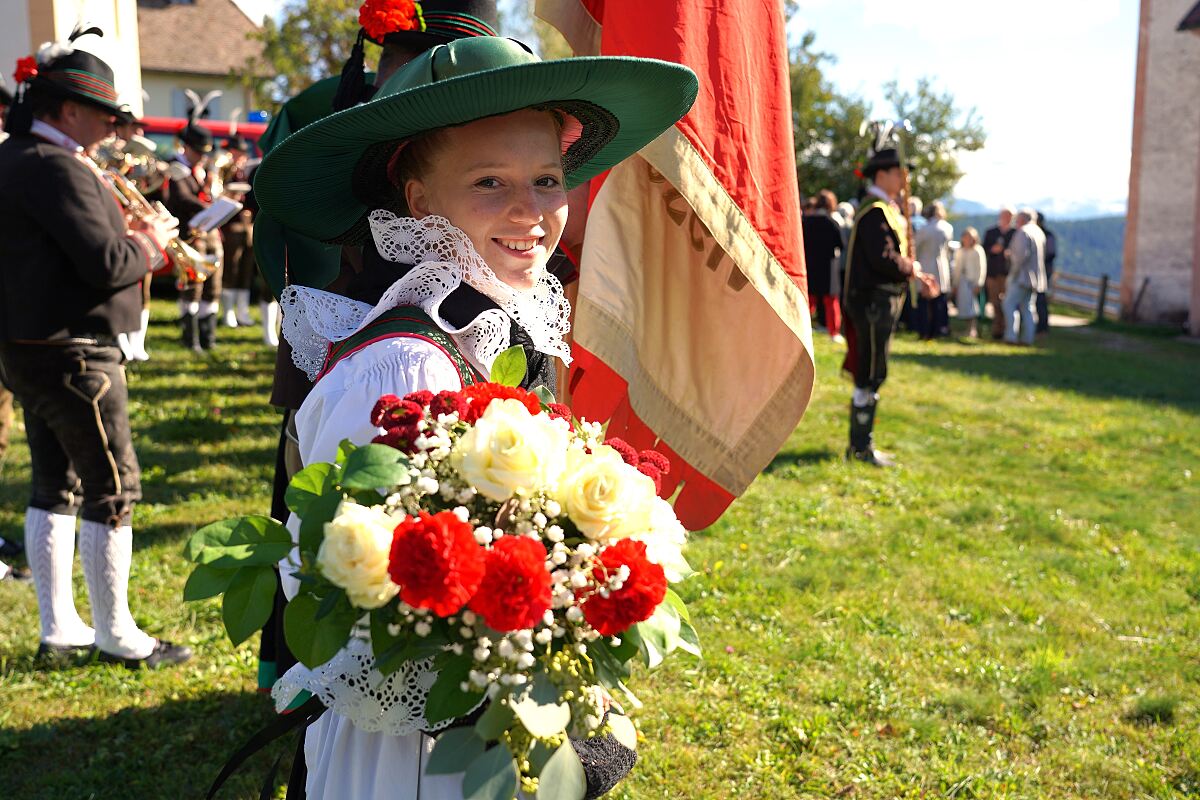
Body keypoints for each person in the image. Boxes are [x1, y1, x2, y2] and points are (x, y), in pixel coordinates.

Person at [249, 34, 697, 797]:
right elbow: (369, 620)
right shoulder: (406, 367)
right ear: (420, 201)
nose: (531, 211)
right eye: (490, 182)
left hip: (487, 726)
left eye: (548, 179)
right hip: (409, 756)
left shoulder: (489, 323)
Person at [251, 0, 505, 698]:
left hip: (421, 320)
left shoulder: (326, 103)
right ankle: (321, 664)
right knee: (338, 520)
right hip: (360, 333)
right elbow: (281, 232)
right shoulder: (319, 115)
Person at [0, 27, 191, 667]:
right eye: (105, 115)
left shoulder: (14, 156)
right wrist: (152, 242)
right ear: (69, 109)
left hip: (28, 347)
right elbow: (107, 264)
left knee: (54, 485)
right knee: (114, 488)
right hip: (78, 352)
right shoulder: (57, 167)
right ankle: (117, 635)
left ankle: (60, 628)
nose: (113, 129)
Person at [841, 146, 937, 467]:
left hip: (879, 301)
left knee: (873, 371)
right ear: (882, 174)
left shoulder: (884, 209)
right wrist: (909, 267)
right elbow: (883, 259)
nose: (903, 178)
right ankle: (860, 447)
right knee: (869, 371)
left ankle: (862, 444)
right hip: (872, 301)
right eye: (899, 172)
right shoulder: (875, 211)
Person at [162, 121, 223, 352]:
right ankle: (191, 338)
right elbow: (181, 198)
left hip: (210, 233)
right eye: (198, 152)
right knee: (193, 288)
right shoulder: (175, 168)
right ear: (186, 147)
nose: (201, 157)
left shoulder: (203, 170)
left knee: (212, 287)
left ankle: (208, 338)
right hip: (190, 236)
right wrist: (209, 207)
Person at [219, 136, 256, 329]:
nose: (240, 157)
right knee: (231, 269)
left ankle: (242, 310)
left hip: (246, 225)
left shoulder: (244, 172)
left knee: (246, 270)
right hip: (231, 226)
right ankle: (228, 312)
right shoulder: (224, 170)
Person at [802, 189, 845, 344]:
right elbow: (840, 244)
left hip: (810, 265)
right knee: (831, 301)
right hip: (829, 266)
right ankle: (834, 332)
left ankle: (800, 329)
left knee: (809, 300)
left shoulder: (806, 222)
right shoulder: (831, 222)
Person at [1002, 208, 1047, 345]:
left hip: (1021, 277)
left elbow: (1020, 257)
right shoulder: (1039, 232)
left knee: (1009, 304)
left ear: (1022, 219)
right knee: (1028, 307)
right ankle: (1028, 338)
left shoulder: (1023, 232)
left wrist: (1012, 273)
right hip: (1035, 277)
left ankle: (1011, 336)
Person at [912, 200, 953, 339]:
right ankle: (939, 328)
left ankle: (924, 330)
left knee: (924, 300)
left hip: (926, 265)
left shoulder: (924, 228)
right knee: (939, 300)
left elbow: (915, 246)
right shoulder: (947, 228)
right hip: (942, 266)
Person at [983, 206, 1015, 339]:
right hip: (993, 272)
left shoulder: (1015, 233)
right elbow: (984, 248)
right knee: (995, 302)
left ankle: (1007, 328)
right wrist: (992, 250)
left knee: (1007, 302)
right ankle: (997, 329)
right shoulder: (991, 232)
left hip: (1007, 273)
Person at [953, 226, 986, 338]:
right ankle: (968, 329)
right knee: (965, 306)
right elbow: (957, 269)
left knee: (972, 306)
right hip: (963, 281)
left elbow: (982, 268)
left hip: (972, 282)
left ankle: (973, 329)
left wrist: (979, 283)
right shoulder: (960, 251)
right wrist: (955, 283)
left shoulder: (978, 250)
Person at [1035, 210, 1057, 333]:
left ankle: (1042, 326)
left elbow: (1051, 254)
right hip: (1037, 270)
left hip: (1044, 272)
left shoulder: (1047, 235)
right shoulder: (1040, 234)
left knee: (1041, 298)